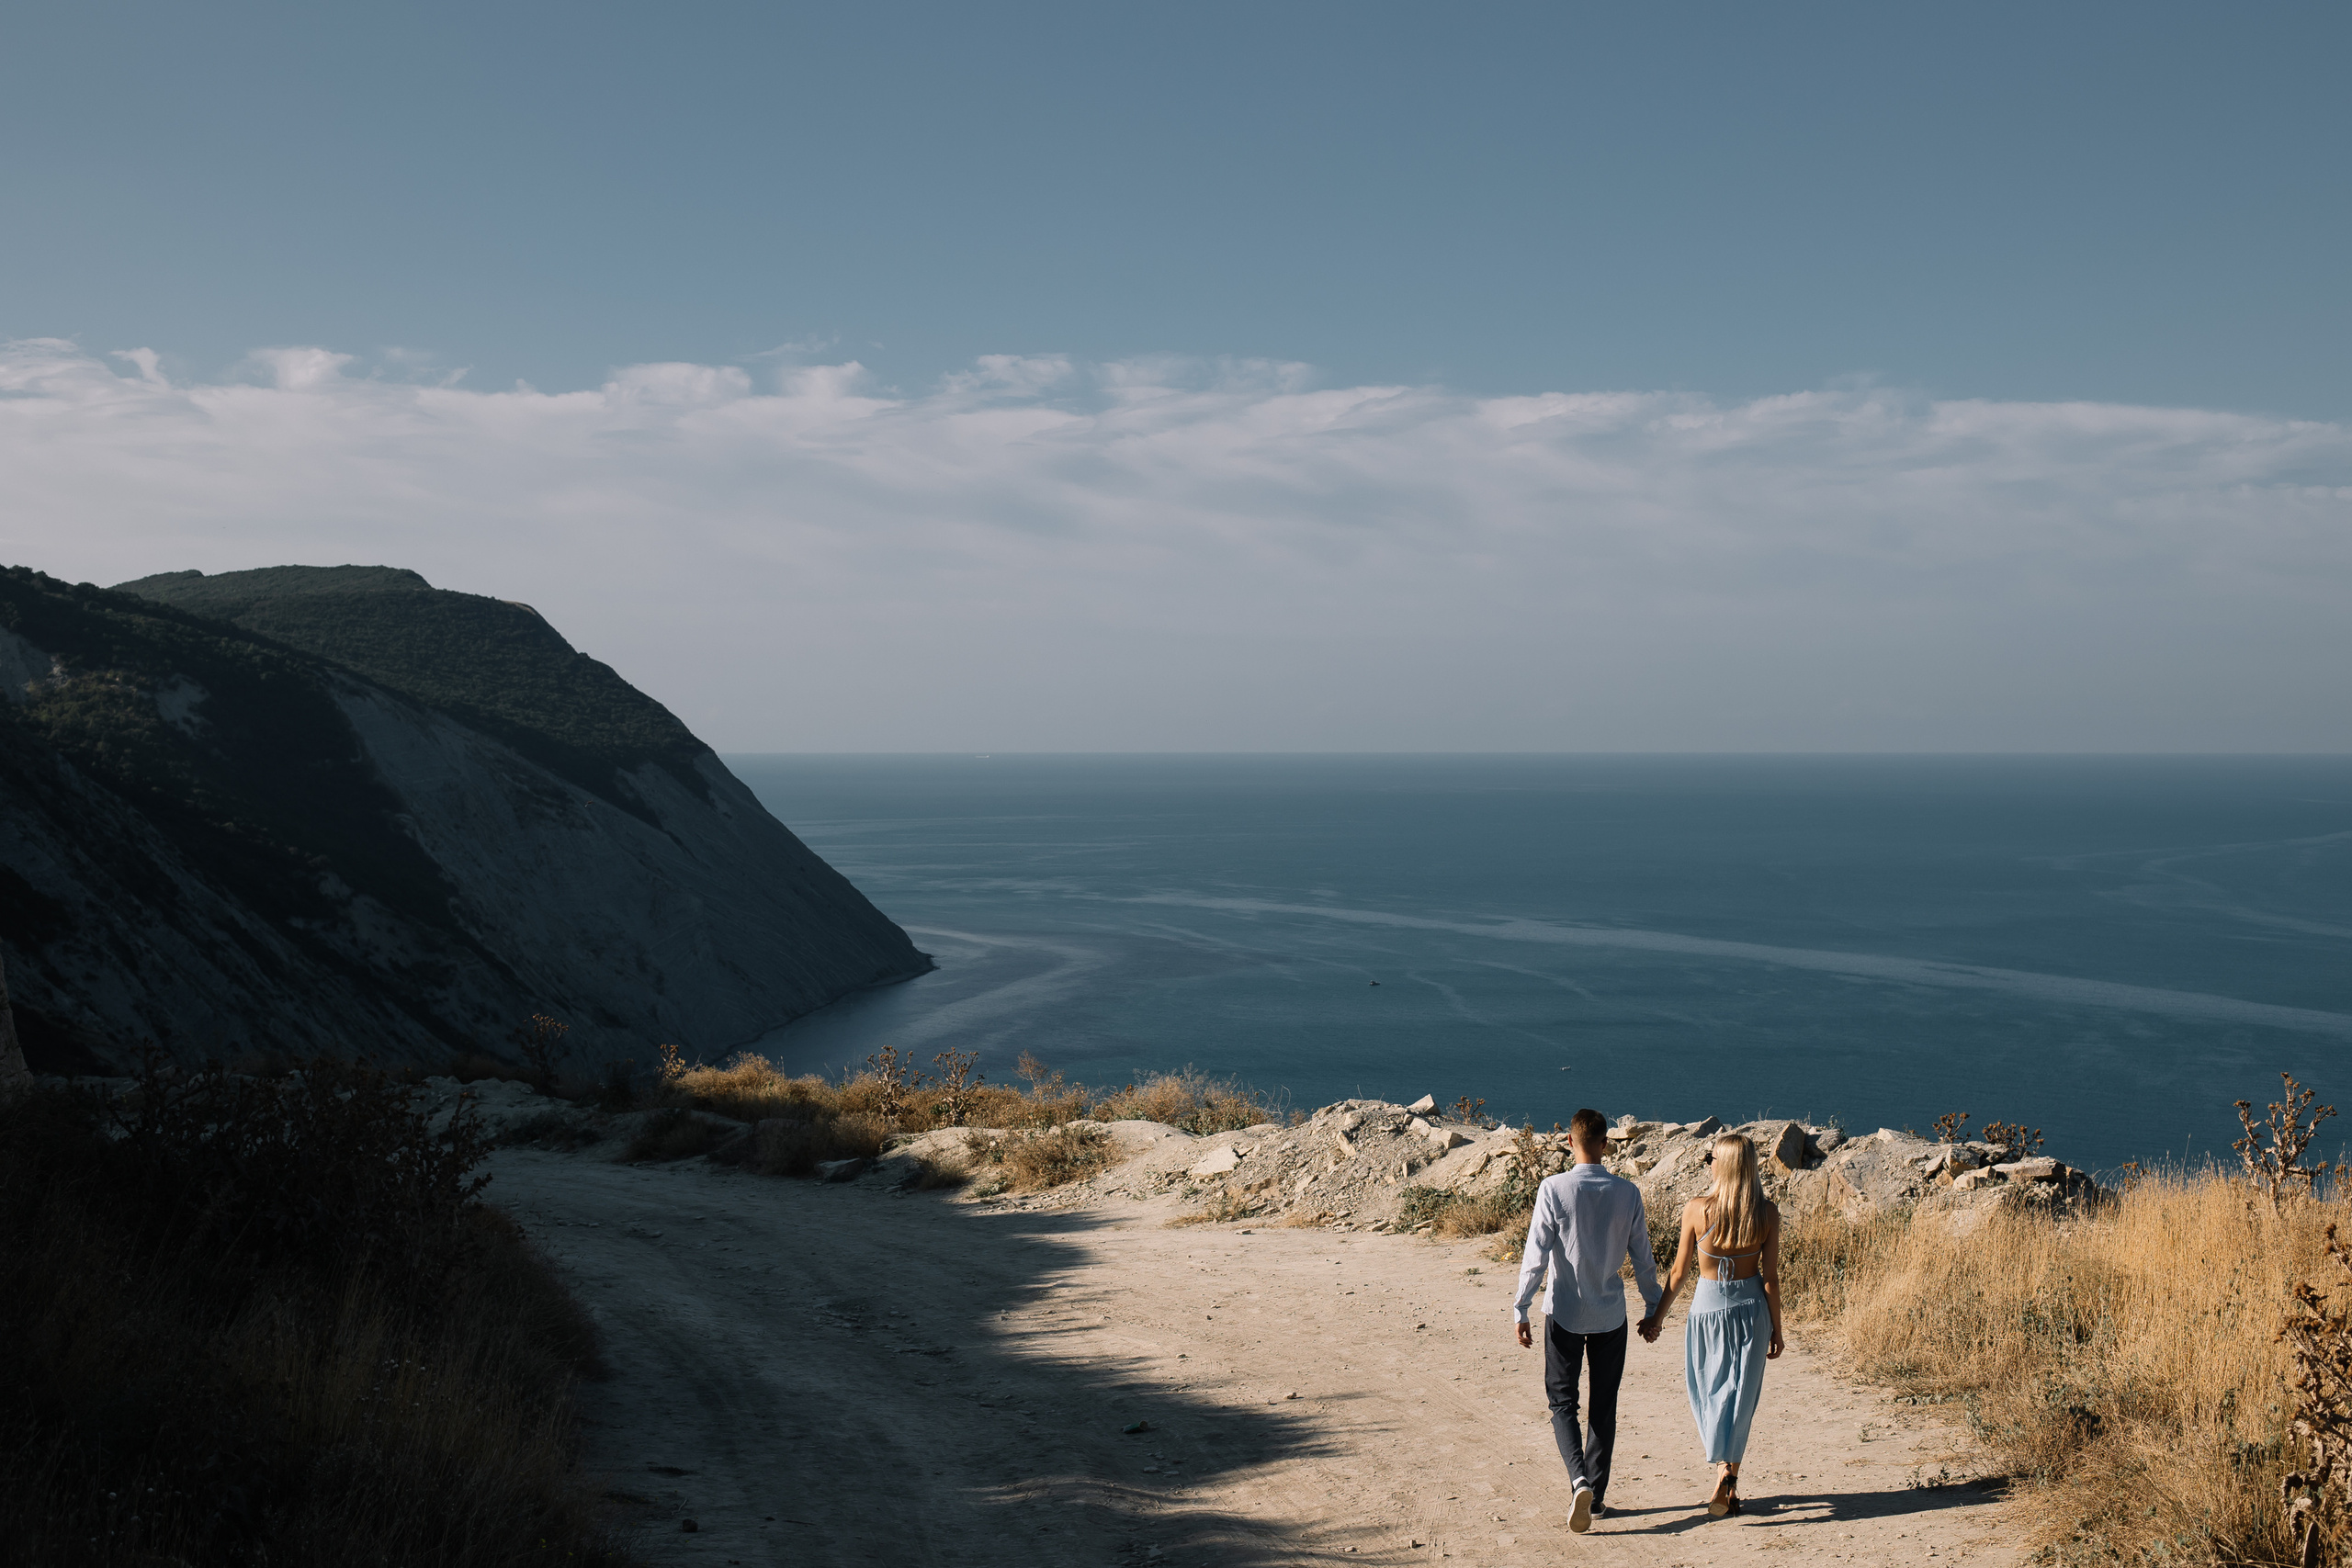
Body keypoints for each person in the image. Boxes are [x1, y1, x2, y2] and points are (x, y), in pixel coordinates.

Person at [1512, 1109, 1662, 1535]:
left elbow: (1536, 1254)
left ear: (1571, 1142)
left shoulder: (1553, 1188)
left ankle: (1578, 1480)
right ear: (1604, 1143)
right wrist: (1654, 1308)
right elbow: (1643, 1258)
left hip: (1564, 1312)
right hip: (1611, 1315)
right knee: (1604, 1405)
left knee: (1562, 1402)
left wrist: (1520, 1306)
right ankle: (1594, 1496)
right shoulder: (1627, 1192)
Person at [1639, 1131, 1784, 1517]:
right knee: (1742, 1395)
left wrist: (1656, 1318)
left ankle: (1723, 1470)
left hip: (1707, 1308)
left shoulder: (1696, 1209)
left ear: (1724, 1166)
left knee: (1708, 1391)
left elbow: (1678, 1271)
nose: (1709, 1164)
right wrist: (1778, 1328)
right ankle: (1729, 1475)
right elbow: (1770, 1279)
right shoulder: (1767, 1213)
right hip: (1752, 1309)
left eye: (1712, 1159)